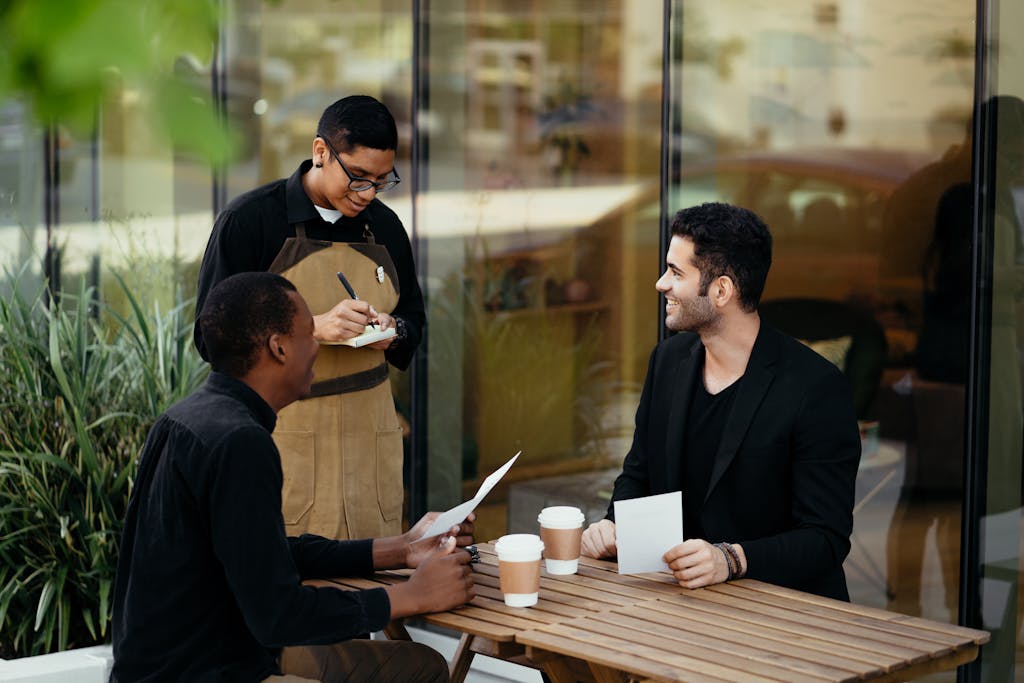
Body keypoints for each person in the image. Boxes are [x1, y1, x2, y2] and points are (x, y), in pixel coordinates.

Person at [111, 272, 473, 682]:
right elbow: (278, 616)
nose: (317, 345)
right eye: (308, 334)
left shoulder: (185, 418)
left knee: (420, 665)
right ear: (279, 348)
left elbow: (266, 553)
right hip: (209, 671)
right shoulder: (240, 441)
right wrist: (408, 596)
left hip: (178, 663)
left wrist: (400, 548)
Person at [580, 202, 861, 601]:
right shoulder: (668, 361)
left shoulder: (815, 388)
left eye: (676, 272)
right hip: (682, 602)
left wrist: (731, 559)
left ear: (722, 290)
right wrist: (612, 525)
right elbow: (638, 473)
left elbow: (825, 539)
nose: (661, 283)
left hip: (783, 614)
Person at [194, 95, 424, 540]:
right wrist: (312, 328)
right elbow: (212, 338)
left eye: (382, 180)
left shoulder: (387, 227)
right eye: (357, 178)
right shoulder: (250, 221)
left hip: (370, 449)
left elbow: (414, 318)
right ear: (321, 152)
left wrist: (392, 331)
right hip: (285, 440)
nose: (368, 194)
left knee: (378, 592)